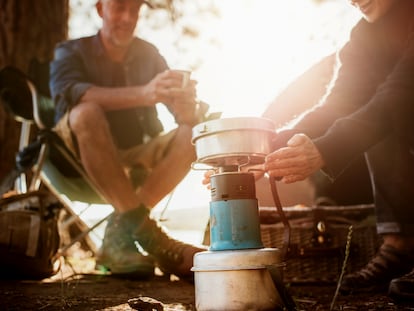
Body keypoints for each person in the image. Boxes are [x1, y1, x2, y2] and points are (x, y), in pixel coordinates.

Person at [263, 0, 414, 302]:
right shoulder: (365, 35)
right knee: (366, 121)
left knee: (382, 112)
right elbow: (340, 104)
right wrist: (266, 148)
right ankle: (401, 243)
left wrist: (324, 149)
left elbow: (401, 93)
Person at [49, 0, 208, 279]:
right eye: (119, 7)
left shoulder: (149, 54)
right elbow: (74, 94)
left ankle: (122, 229)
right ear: (100, 9)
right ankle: (154, 237)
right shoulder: (70, 51)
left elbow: (182, 117)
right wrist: (146, 93)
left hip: (138, 154)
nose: (127, 17)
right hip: (77, 157)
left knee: (194, 133)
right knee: (86, 113)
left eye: (134, 9)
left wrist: (186, 106)